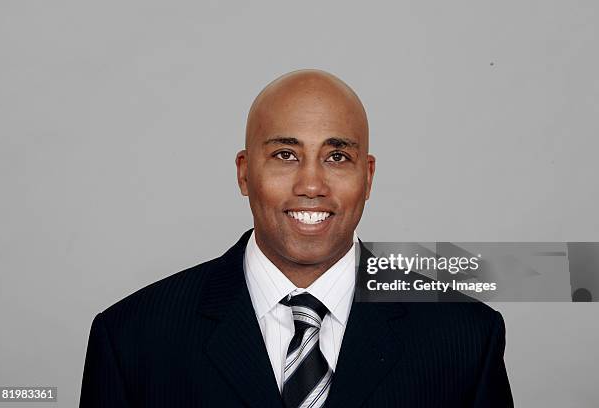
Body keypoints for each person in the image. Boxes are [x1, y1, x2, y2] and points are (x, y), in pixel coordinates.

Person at [79, 69, 513, 407]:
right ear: (244, 172)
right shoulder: (132, 339)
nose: (311, 184)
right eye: (286, 155)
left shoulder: (465, 339)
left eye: (337, 156)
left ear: (368, 176)